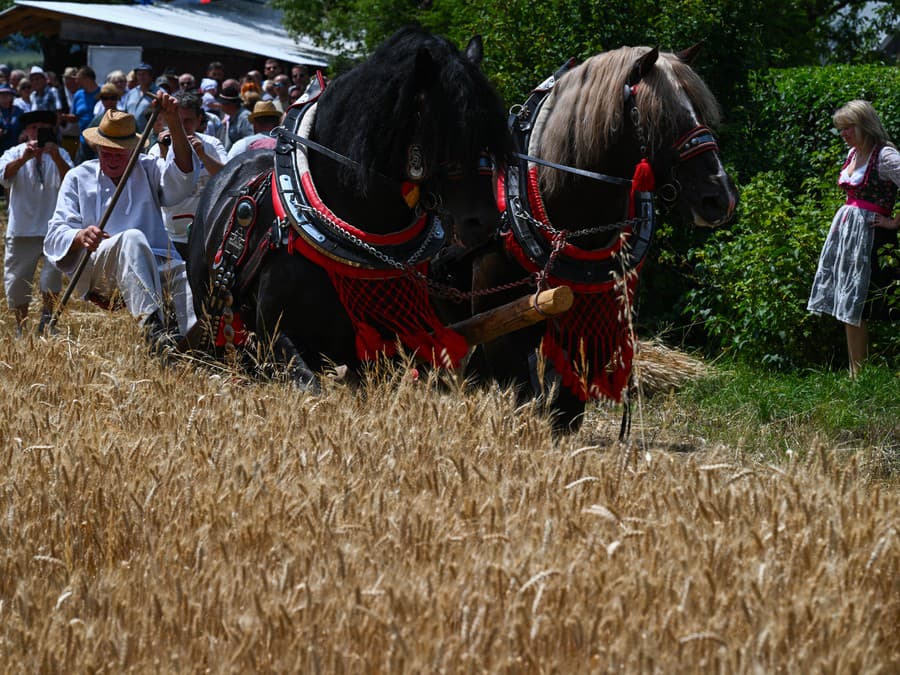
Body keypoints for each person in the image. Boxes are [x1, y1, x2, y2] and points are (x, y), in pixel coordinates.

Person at [43, 97, 199, 352]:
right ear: (97, 149)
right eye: (107, 152)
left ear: (132, 150)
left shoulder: (148, 168)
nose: (113, 159)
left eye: (120, 153)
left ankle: (192, 345)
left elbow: (182, 180)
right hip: (98, 267)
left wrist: (173, 121)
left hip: (154, 261)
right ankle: (154, 333)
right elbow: (55, 233)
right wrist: (80, 235)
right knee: (132, 238)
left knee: (187, 274)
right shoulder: (78, 177)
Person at [807, 100, 900, 376]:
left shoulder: (885, 156)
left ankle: (872, 370)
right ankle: (856, 373)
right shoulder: (853, 153)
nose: (843, 134)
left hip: (873, 237)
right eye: (841, 128)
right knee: (850, 301)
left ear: (865, 126)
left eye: (848, 127)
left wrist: (894, 222)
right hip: (848, 237)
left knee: (873, 301)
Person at [0, 110, 73, 335]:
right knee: (17, 281)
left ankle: (48, 321)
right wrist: (23, 159)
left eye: (43, 128)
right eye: (34, 128)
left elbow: (71, 181)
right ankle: (21, 327)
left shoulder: (60, 153)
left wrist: (57, 157)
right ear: (26, 131)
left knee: (51, 278)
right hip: (21, 228)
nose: (37, 132)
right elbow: (3, 176)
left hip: (53, 228)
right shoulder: (13, 153)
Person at [148, 91, 226, 259]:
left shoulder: (212, 144)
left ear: (199, 120)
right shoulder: (157, 148)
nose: (182, 127)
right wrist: (163, 154)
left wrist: (203, 155)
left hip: (207, 230)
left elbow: (227, 178)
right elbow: (155, 189)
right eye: (177, 121)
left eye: (188, 121)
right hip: (172, 234)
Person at [216, 81, 252, 152]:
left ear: (230, 104)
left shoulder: (245, 118)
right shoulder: (230, 117)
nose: (220, 105)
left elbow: (250, 142)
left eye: (222, 103)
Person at [122, 63, 157, 130]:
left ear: (151, 76)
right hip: (130, 133)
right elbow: (124, 112)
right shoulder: (131, 93)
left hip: (148, 134)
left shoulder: (159, 93)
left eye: (144, 74)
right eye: (139, 74)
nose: (141, 77)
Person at [0, 83, 23, 155]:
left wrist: (23, 134)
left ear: (11, 96)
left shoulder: (18, 111)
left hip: (16, 150)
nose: (4, 96)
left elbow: (25, 127)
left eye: (7, 94)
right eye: (1, 94)